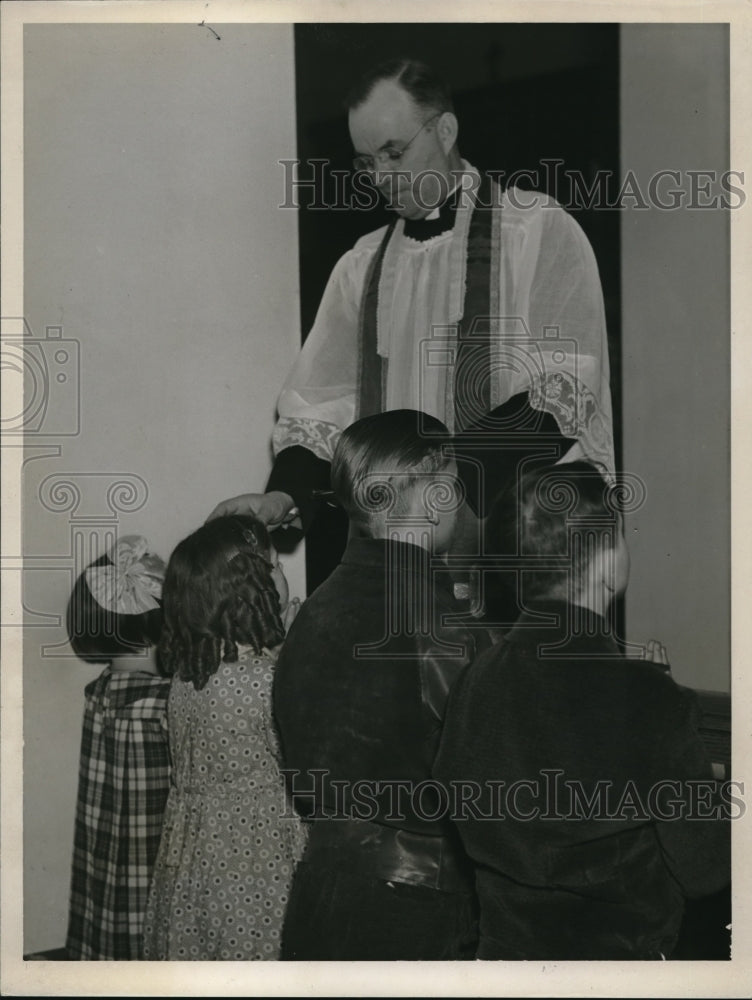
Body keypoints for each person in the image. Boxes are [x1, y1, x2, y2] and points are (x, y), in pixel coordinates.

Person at [208, 58, 613, 588]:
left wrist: (438, 493)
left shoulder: (535, 232)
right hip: (400, 553)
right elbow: (322, 407)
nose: (380, 178)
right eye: (366, 162)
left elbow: (562, 390)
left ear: (445, 130)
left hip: (514, 539)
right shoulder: (362, 266)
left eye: (394, 153)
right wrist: (283, 495)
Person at [433, 461, 731, 960]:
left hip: (502, 960)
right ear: (609, 564)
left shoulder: (474, 682)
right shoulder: (650, 699)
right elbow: (706, 870)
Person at [273, 410, 485, 961]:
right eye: (454, 483)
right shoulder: (442, 625)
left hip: (318, 894)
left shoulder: (313, 610)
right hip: (418, 911)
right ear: (434, 489)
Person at [141, 516, 306, 961]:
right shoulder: (265, 681)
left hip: (195, 856)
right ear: (253, 589)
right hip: (256, 858)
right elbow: (301, 764)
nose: (283, 572)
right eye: (274, 564)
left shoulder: (186, 678)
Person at [65, 535, 170, 960]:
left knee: (109, 905)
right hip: (152, 862)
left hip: (106, 863)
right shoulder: (162, 703)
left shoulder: (102, 692)